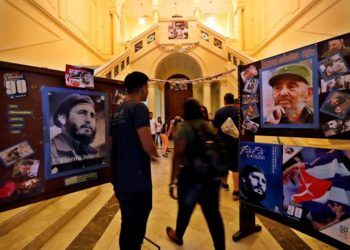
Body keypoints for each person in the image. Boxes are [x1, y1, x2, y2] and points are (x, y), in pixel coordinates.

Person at [109, 71, 160, 250]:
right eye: (147, 87)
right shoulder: (139, 108)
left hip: (121, 178)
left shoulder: (117, 111)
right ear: (143, 87)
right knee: (138, 220)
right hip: (137, 180)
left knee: (127, 221)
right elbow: (147, 143)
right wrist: (156, 155)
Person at [166, 98, 225, 250]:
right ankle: (220, 247)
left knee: (185, 210)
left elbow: (177, 155)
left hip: (190, 178)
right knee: (213, 216)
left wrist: (172, 181)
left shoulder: (184, 127)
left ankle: (178, 236)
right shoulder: (208, 125)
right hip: (211, 179)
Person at [50, 95, 98, 169]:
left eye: (92, 116)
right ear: (62, 118)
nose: (89, 120)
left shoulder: (93, 151)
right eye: (81, 113)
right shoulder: (50, 151)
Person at [213, 93, 240, 200]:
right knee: (235, 166)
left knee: (223, 164)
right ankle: (236, 191)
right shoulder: (238, 111)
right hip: (235, 142)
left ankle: (224, 184)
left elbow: (215, 129)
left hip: (222, 143)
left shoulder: (219, 112)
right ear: (233, 100)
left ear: (224, 100)